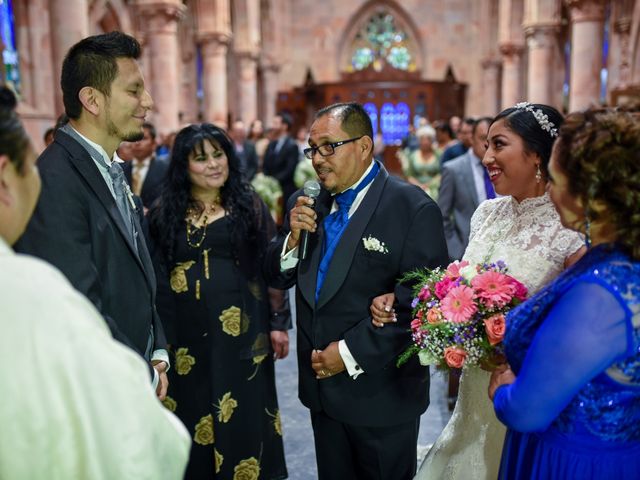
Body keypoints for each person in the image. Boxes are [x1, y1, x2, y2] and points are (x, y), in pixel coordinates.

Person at [371, 103, 584, 479]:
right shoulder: (487, 213)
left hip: (521, 391)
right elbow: (460, 288)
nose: (486, 156)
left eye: (498, 144)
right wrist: (443, 317)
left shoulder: (568, 230)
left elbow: (577, 332)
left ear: (537, 154)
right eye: (485, 145)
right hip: (472, 391)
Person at [0, 107, 190, 478]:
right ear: (5, 177)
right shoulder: (30, 289)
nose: (147, 100)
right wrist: (145, 380)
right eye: (30, 168)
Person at [264, 102, 449, 479]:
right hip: (322, 391)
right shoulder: (310, 200)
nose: (318, 159)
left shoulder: (411, 208)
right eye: (312, 149)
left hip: (380, 394)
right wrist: (291, 239)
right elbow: (276, 274)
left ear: (364, 146)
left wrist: (347, 353)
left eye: (329, 146)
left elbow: (419, 305)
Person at [489, 106, 640, 479]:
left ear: (593, 196)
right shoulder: (611, 257)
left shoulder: (599, 294)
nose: (549, 191)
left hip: (575, 461)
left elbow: (527, 410)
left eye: (554, 180)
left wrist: (504, 391)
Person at [15, 32, 170, 393]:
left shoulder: (106, 166)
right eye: (134, 91)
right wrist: (141, 373)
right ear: (93, 100)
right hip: (97, 387)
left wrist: (157, 343)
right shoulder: (54, 179)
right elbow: (76, 305)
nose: (147, 102)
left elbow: (135, 268)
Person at [148, 123, 289, 480]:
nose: (213, 164)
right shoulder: (164, 212)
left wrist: (278, 323)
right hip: (186, 341)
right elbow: (157, 278)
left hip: (243, 336)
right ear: (183, 166)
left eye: (218, 154)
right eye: (200, 159)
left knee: (243, 416)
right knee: (193, 418)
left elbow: (269, 265)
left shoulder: (248, 204)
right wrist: (159, 342)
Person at [438, 117, 492, 261]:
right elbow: (441, 215)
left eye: (492, 140)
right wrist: (456, 250)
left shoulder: (501, 168)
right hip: (465, 252)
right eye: (482, 138)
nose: (487, 144)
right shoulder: (453, 169)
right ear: (471, 138)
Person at [123, 121, 169, 210]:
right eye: (134, 138)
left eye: (143, 138)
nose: (137, 143)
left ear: (154, 144)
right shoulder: (120, 169)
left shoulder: (166, 169)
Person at [263, 112, 300, 205]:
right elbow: (266, 164)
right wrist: (267, 180)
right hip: (270, 188)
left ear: (284, 126)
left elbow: (290, 169)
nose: (272, 126)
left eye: (276, 123)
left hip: (285, 188)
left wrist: (275, 181)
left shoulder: (292, 145)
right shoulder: (272, 144)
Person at [399, 125, 441, 200]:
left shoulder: (438, 154)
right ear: (418, 140)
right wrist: (419, 185)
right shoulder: (413, 155)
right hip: (416, 187)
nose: (425, 142)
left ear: (432, 141)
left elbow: (441, 174)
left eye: (428, 139)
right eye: (422, 139)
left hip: (435, 188)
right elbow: (409, 175)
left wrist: (429, 185)